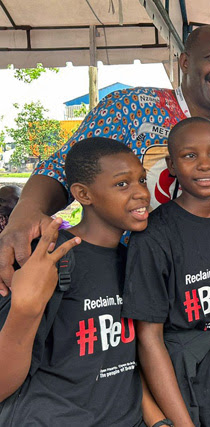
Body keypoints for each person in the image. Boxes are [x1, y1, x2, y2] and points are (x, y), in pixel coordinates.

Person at [0, 25, 210, 295]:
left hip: (188, 288)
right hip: (116, 279)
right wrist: (26, 213)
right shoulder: (130, 107)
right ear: (185, 62)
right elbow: (65, 167)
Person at [0, 137, 152, 425]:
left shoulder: (136, 259)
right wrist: (26, 309)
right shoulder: (47, 257)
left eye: (142, 180)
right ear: (83, 193)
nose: (141, 193)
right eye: (122, 184)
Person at [122, 118, 210, 426]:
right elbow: (148, 338)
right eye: (189, 155)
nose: (205, 165)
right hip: (178, 383)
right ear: (172, 164)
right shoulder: (154, 236)